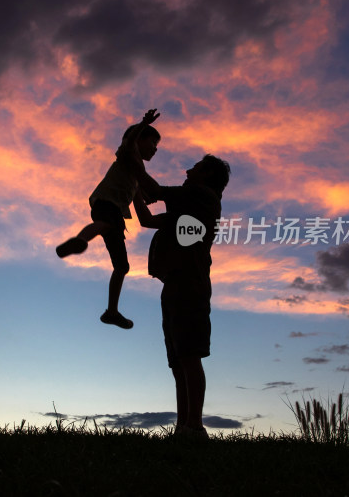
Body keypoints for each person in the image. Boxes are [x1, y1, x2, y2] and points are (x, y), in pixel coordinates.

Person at [132, 154, 231, 439]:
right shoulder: (187, 207)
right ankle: (183, 427)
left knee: (189, 354)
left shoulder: (200, 195)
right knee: (178, 359)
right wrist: (134, 192)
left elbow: (154, 190)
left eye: (197, 167)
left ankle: (195, 427)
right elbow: (147, 219)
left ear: (208, 175)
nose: (189, 169)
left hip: (190, 282)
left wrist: (131, 162)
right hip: (176, 282)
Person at [56, 108, 162, 329]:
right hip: (105, 203)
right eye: (153, 143)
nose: (155, 149)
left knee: (122, 266)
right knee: (104, 225)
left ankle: (111, 311)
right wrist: (143, 123)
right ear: (139, 140)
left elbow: (142, 196)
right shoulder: (127, 154)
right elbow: (129, 140)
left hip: (115, 214)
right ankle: (81, 240)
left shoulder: (136, 173)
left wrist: (151, 198)